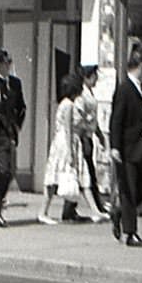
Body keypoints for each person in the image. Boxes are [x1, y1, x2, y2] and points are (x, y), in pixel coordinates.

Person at [109, 44, 142, 246]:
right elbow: (116, 120)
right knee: (128, 189)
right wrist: (114, 147)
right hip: (127, 148)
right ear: (141, 64)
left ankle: (120, 212)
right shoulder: (124, 89)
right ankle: (130, 233)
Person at [39, 70, 101, 223]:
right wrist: (69, 152)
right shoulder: (68, 105)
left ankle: (95, 210)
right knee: (59, 177)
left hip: (68, 142)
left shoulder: (66, 104)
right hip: (67, 143)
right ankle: (43, 211)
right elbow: (67, 128)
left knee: (79, 176)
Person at [0, 47, 27, 227]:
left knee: (5, 172)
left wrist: (15, 128)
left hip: (4, 135)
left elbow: (22, 108)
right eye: (6, 63)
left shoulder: (14, 84)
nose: (9, 66)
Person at [77, 64, 111, 219]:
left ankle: (71, 207)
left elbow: (93, 119)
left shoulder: (90, 93)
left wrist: (99, 134)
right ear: (86, 77)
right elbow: (83, 117)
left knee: (84, 171)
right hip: (83, 137)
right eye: (94, 76)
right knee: (87, 171)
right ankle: (96, 206)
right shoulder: (82, 95)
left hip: (89, 136)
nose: (96, 79)